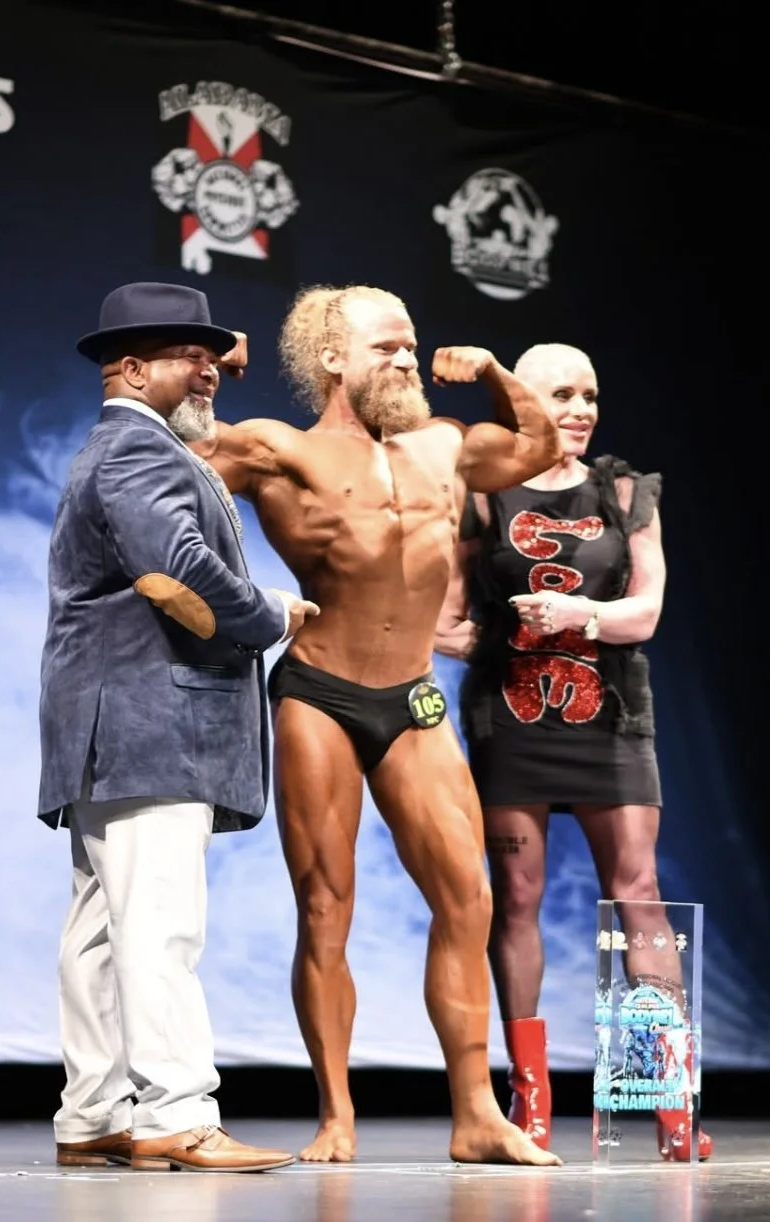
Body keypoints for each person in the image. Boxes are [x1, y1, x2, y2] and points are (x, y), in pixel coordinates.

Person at [190, 284, 563, 1166]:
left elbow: (538, 446)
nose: (405, 359)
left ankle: (476, 1115)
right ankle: (337, 1116)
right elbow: (166, 468)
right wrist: (207, 375)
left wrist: (499, 376)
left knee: (468, 901)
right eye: (386, 347)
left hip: (414, 696)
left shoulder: (447, 445)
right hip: (319, 691)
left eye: (411, 343)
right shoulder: (276, 450)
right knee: (326, 907)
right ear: (331, 358)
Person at [37, 282, 317, 1173]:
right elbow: (182, 565)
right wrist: (273, 613)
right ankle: (177, 1112)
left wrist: (205, 357)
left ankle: (93, 1114)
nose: (211, 372)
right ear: (129, 368)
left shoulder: (125, 444)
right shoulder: (140, 454)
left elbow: (198, 383)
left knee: (103, 930)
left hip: (109, 725)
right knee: (158, 927)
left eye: (212, 356)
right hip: (149, 720)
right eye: (187, 358)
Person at [434, 342, 713, 1162]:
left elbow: (648, 609)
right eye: (563, 393)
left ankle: (671, 1102)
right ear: (523, 398)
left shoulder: (626, 492)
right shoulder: (481, 495)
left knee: (640, 889)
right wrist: (500, 635)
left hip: (612, 718)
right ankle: (528, 1102)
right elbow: (447, 622)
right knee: (513, 899)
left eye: (591, 393)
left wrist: (578, 620)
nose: (583, 408)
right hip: (512, 717)